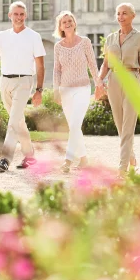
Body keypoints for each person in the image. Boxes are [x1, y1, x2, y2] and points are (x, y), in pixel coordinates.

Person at [0, 1, 46, 172]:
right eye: (15, 14)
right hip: (5, 81)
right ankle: (30, 156)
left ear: (26, 16)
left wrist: (39, 90)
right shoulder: (3, 36)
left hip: (24, 81)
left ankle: (5, 159)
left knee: (13, 121)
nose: (19, 17)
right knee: (18, 121)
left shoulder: (34, 36)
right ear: (10, 16)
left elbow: (40, 65)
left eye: (22, 14)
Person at [98, 3, 140, 174]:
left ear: (132, 16)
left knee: (128, 127)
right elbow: (105, 64)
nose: (120, 17)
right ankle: (131, 157)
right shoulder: (110, 38)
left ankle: (122, 169)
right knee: (120, 125)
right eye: (118, 13)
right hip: (113, 80)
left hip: (132, 80)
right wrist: (99, 80)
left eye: (124, 13)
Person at [52, 11, 103, 174]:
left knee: (74, 124)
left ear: (74, 23)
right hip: (65, 90)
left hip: (82, 88)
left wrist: (98, 83)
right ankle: (84, 159)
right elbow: (56, 71)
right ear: (60, 26)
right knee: (74, 126)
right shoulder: (58, 46)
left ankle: (67, 160)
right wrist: (56, 91)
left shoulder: (85, 42)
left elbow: (92, 64)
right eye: (64, 21)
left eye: (70, 20)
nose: (67, 23)